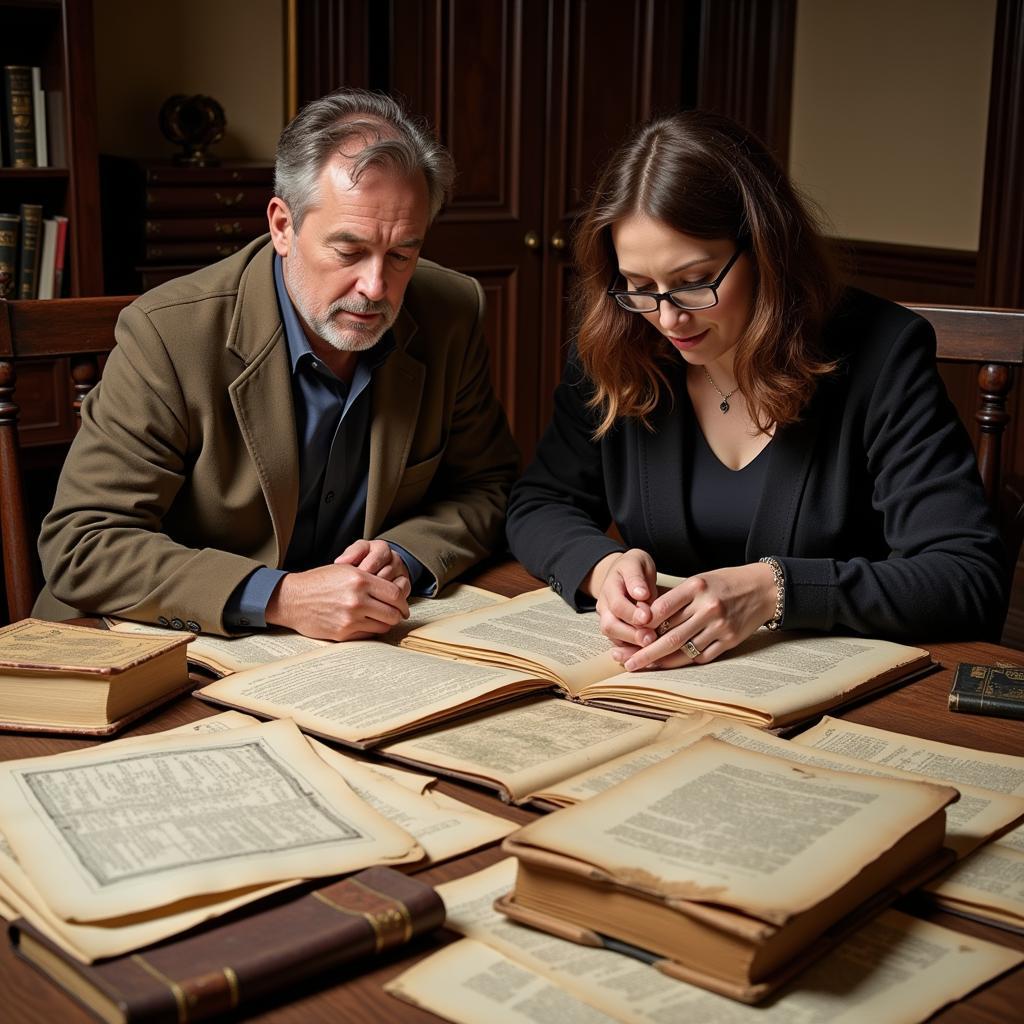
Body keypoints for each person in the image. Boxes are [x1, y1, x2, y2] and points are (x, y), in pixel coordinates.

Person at [506, 110, 1007, 670]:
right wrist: (601, 568)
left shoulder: (882, 354)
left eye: (695, 282)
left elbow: (967, 576)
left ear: (766, 251)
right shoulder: (620, 345)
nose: (668, 319)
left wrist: (776, 590)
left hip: (829, 690)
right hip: (667, 682)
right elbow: (541, 503)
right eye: (641, 287)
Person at [34, 89, 518, 641]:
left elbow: (490, 486)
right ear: (282, 226)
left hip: (351, 651)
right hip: (158, 642)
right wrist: (278, 596)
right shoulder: (167, 334)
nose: (376, 286)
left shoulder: (451, 312)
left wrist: (407, 553)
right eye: (349, 251)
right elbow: (84, 542)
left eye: (402, 254)